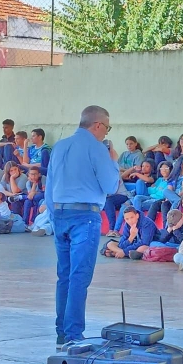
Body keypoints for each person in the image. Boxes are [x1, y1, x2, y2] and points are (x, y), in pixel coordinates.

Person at [45, 105, 120, 345]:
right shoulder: (96, 148)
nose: (106, 134)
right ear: (97, 125)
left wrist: (53, 215)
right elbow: (110, 186)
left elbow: (49, 188)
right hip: (85, 216)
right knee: (79, 276)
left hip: (59, 213)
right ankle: (73, 335)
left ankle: (61, 331)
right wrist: (114, 162)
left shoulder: (60, 146)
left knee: (64, 275)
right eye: (106, 128)